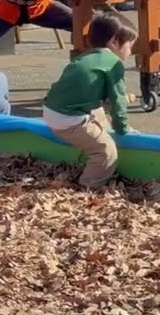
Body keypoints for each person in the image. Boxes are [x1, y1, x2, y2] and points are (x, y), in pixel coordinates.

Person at [41, 11, 138, 188]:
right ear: (114, 42)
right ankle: (89, 187)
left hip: (52, 109)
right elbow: (118, 103)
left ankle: (101, 134)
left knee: (98, 114)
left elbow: (88, 94)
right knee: (105, 151)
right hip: (68, 118)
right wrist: (123, 128)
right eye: (130, 45)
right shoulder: (114, 64)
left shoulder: (87, 57)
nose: (130, 51)